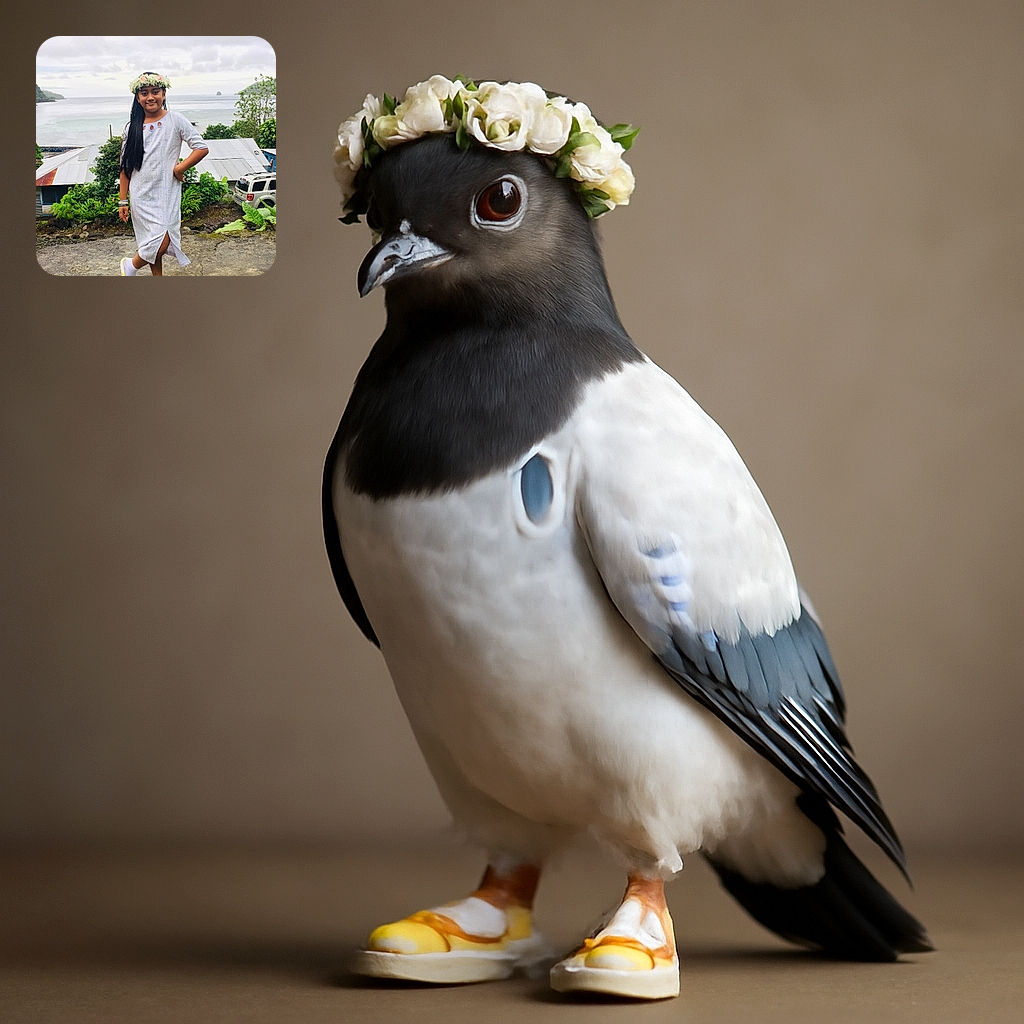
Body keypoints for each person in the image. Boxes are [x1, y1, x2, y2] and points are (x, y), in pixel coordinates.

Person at [117, 72, 209, 276]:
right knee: (151, 241)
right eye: (144, 93)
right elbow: (125, 168)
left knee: (162, 239)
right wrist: (123, 201)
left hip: (166, 193)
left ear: (164, 94)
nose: (150, 97)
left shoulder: (176, 120)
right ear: (138, 98)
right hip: (140, 195)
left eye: (155, 92)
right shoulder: (132, 128)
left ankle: (131, 265)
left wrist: (179, 168)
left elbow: (201, 148)